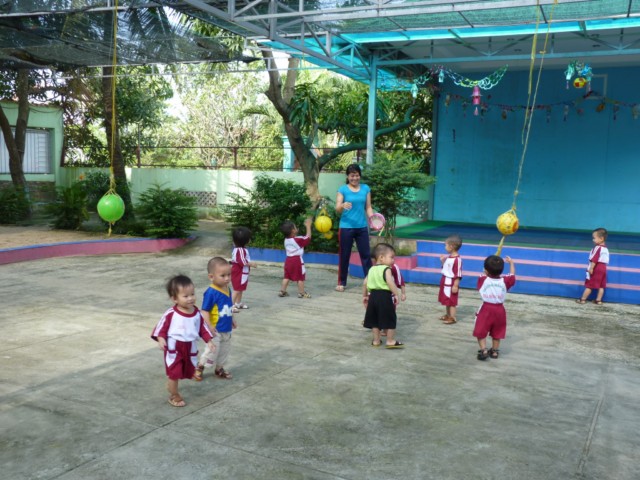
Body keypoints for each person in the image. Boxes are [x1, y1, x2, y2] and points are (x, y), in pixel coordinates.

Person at [151, 275, 216, 407]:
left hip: (190, 346)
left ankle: (173, 384)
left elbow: (202, 328)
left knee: (187, 370)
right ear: (174, 298)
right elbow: (161, 327)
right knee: (174, 373)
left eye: (192, 294)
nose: (190, 298)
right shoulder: (171, 313)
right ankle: (174, 395)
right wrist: (161, 338)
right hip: (174, 348)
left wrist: (209, 340)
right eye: (185, 296)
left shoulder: (197, 313)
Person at [194, 257, 237, 381]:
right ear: (211, 277)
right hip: (215, 329)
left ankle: (219, 369)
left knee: (224, 350)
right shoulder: (211, 292)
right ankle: (200, 367)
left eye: (229, 275)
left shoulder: (228, 289)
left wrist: (232, 319)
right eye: (223, 276)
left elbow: (228, 306)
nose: (227, 278)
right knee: (212, 351)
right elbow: (204, 311)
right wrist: (209, 326)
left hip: (226, 328)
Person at [335, 163, 374, 292]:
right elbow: (337, 208)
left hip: (362, 227)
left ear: (359, 176)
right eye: (352, 175)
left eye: (357, 175)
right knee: (344, 255)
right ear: (348, 176)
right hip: (346, 227)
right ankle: (341, 282)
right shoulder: (342, 190)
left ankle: (371, 281)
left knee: (366, 255)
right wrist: (342, 206)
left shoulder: (365, 188)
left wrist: (373, 220)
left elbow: (368, 207)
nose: (354, 178)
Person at [473, 255, 516, 361]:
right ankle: (495, 351)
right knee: (497, 331)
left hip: (486, 309)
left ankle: (483, 350)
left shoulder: (482, 279)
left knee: (480, 330)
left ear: (486, 270)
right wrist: (511, 263)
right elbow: (512, 275)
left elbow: (483, 273)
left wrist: (486, 266)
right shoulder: (505, 281)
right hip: (499, 310)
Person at [362, 243, 404, 349]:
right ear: (381, 257)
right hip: (384, 297)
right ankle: (390, 341)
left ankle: (376, 341)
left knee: (374, 320)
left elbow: (365, 283)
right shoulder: (386, 269)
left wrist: (365, 296)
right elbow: (390, 282)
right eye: (391, 257)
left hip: (373, 297)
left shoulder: (371, 269)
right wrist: (396, 294)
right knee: (390, 318)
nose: (393, 260)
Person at [278, 217, 312, 298]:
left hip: (288, 260)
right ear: (293, 230)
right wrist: (308, 226)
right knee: (300, 277)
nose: (297, 228)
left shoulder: (286, 240)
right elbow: (308, 238)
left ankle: (282, 291)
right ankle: (302, 293)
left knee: (286, 276)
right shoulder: (297, 239)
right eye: (295, 227)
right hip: (297, 260)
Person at [576, 227, 609, 305]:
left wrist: (591, 268)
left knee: (590, 285)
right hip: (603, 267)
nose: (593, 240)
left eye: (594, 238)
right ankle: (598, 300)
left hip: (597, 267)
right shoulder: (605, 249)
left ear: (601, 238)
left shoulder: (598, 248)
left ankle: (583, 299)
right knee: (601, 285)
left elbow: (594, 259)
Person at [230, 226, 256, 312]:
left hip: (242, 272)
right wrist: (251, 264)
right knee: (237, 289)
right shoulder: (240, 250)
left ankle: (238, 303)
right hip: (239, 272)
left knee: (240, 288)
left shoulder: (240, 249)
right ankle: (230, 306)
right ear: (246, 240)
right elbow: (242, 261)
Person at [438, 234, 463, 325]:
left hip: (451, 282)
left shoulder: (457, 260)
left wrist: (455, 285)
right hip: (445, 281)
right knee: (446, 300)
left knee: (451, 301)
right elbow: (447, 268)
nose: (445, 247)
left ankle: (452, 317)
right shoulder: (449, 257)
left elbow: (458, 274)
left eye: (446, 245)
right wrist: (443, 261)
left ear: (452, 246)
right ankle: (448, 315)